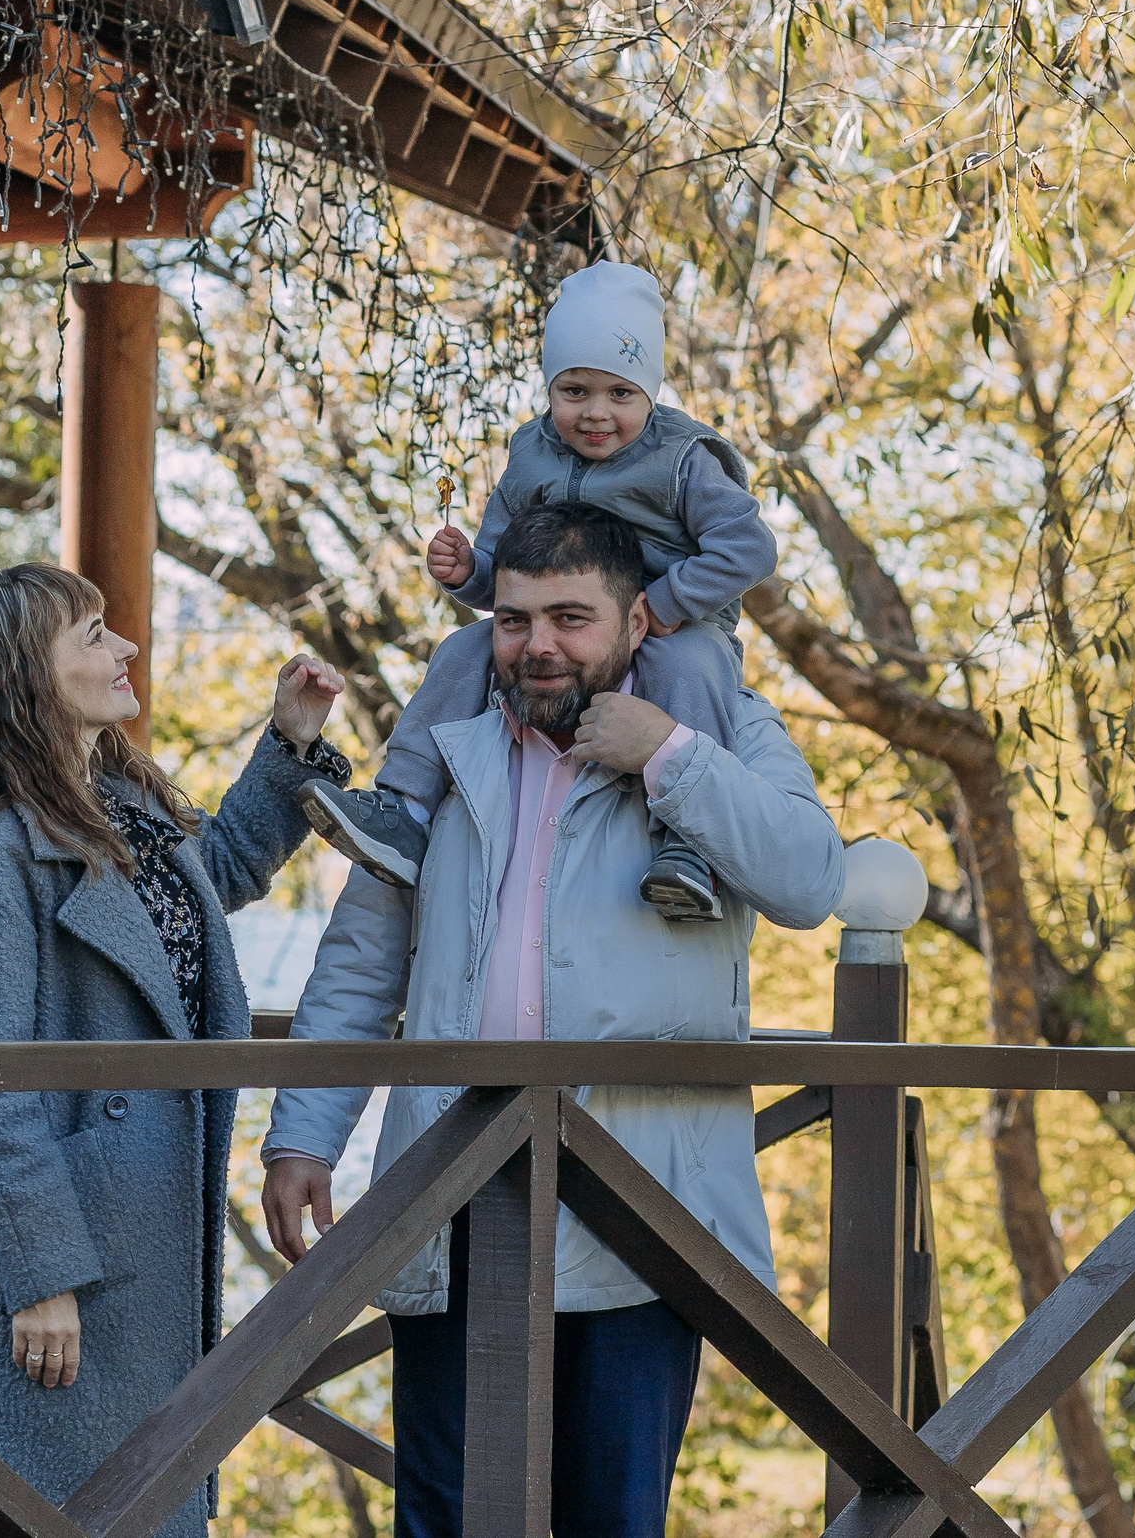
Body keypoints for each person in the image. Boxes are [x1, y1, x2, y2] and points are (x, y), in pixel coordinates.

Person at [260, 502, 845, 1538]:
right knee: (442, 1518)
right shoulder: (445, 751)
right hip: (452, 1194)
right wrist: (307, 1127)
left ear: (637, 624)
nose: (537, 644)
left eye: (571, 617)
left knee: (607, 1523)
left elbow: (809, 878)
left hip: (643, 1215)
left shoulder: (717, 724)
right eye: (514, 617)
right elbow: (364, 951)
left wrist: (667, 751)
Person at [0, 562, 350, 1538]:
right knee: (52, 1508)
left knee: (144, 1500)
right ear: (24, 672)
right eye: (92, 633)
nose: (124, 646)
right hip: (63, 1260)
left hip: (140, 1232)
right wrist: (39, 1275)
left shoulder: (117, 800)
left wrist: (289, 743)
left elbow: (210, 876)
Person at [298, 260, 777, 923]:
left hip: (678, 620)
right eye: (574, 390)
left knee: (693, 666)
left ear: (651, 393)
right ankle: (402, 810)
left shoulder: (683, 459)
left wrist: (662, 607)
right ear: (550, 387)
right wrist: (471, 571)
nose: (597, 413)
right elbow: (504, 568)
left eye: (621, 393)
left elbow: (749, 547)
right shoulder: (532, 454)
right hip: (565, 617)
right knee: (466, 650)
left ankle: (689, 852)